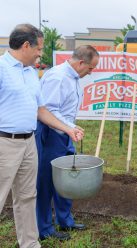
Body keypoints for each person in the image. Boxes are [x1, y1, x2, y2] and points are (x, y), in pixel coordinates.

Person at [0, 24, 83, 248]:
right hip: (4, 143)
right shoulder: (1, 68)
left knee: (27, 196)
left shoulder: (31, 73)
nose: (40, 53)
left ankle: (29, 243)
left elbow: (41, 110)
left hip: (29, 143)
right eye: (38, 48)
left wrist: (68, 128)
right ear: (26, 45)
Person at [35, 45, 99, 241]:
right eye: (90, 68)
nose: (91, 72)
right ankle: (45, 229)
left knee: (66, 177)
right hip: (51, 134)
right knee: (46, 181)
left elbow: (63, 109)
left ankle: (65, 220)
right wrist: (69, 128)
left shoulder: (72, 77)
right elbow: (49, 111)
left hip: (63, 132)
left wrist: (71, 128)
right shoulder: (58, 77)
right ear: (81, 63)